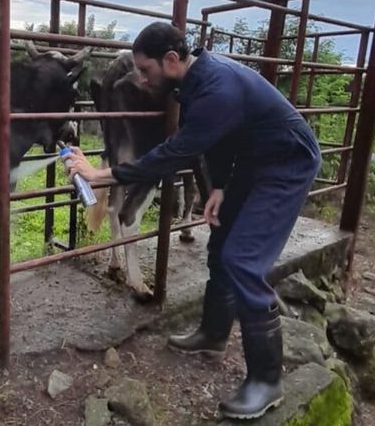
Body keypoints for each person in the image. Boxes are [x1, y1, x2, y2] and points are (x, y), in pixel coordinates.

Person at [64, 22, 321, 420]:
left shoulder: (216, 86)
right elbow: (217, 138)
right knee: (221, 246)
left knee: (243, 260)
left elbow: (175, 152)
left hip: (286, 163)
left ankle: (267, 381)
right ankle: (214, 334)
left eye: (145, 71)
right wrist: (218, 186)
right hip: (254, 159)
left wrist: (100, 175)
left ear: (171, 60)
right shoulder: (193, 82)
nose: (141, 79)